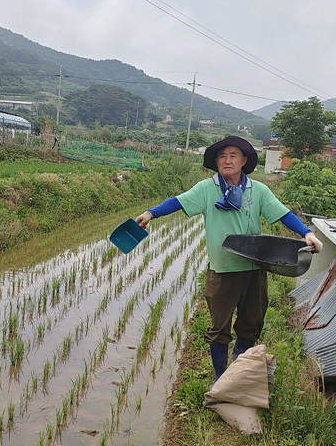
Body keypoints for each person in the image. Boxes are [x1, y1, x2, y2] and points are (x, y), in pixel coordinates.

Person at [135, 136, 322, 382]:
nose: (227, 160)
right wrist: (151, 213)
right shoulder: (207, 189)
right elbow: (178, 202)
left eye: (233, 155)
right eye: (222, 156)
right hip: (222, 270)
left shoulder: (259, 190)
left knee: (251, 323)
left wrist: (306, 232)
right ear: (216, 162)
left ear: (244, 160)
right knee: (218, 327)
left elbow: (283, 213)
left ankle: (238, 372)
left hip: (254, 269)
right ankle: (220, 377)